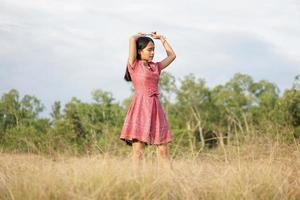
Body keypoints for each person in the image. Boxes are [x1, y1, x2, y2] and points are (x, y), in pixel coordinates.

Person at [120, 32, 176, 171]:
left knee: (163, 150)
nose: (152, 53)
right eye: (149, 50)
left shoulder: (156, 67)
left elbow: (172, 56)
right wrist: (137, 36)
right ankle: (136, 182)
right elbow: (131, 39)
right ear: (139, 51)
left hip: (156, 110)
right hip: (141, 109)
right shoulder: (134, 65)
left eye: (153, 50)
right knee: (138, 152)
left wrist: (163, 39)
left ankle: (171, 181)